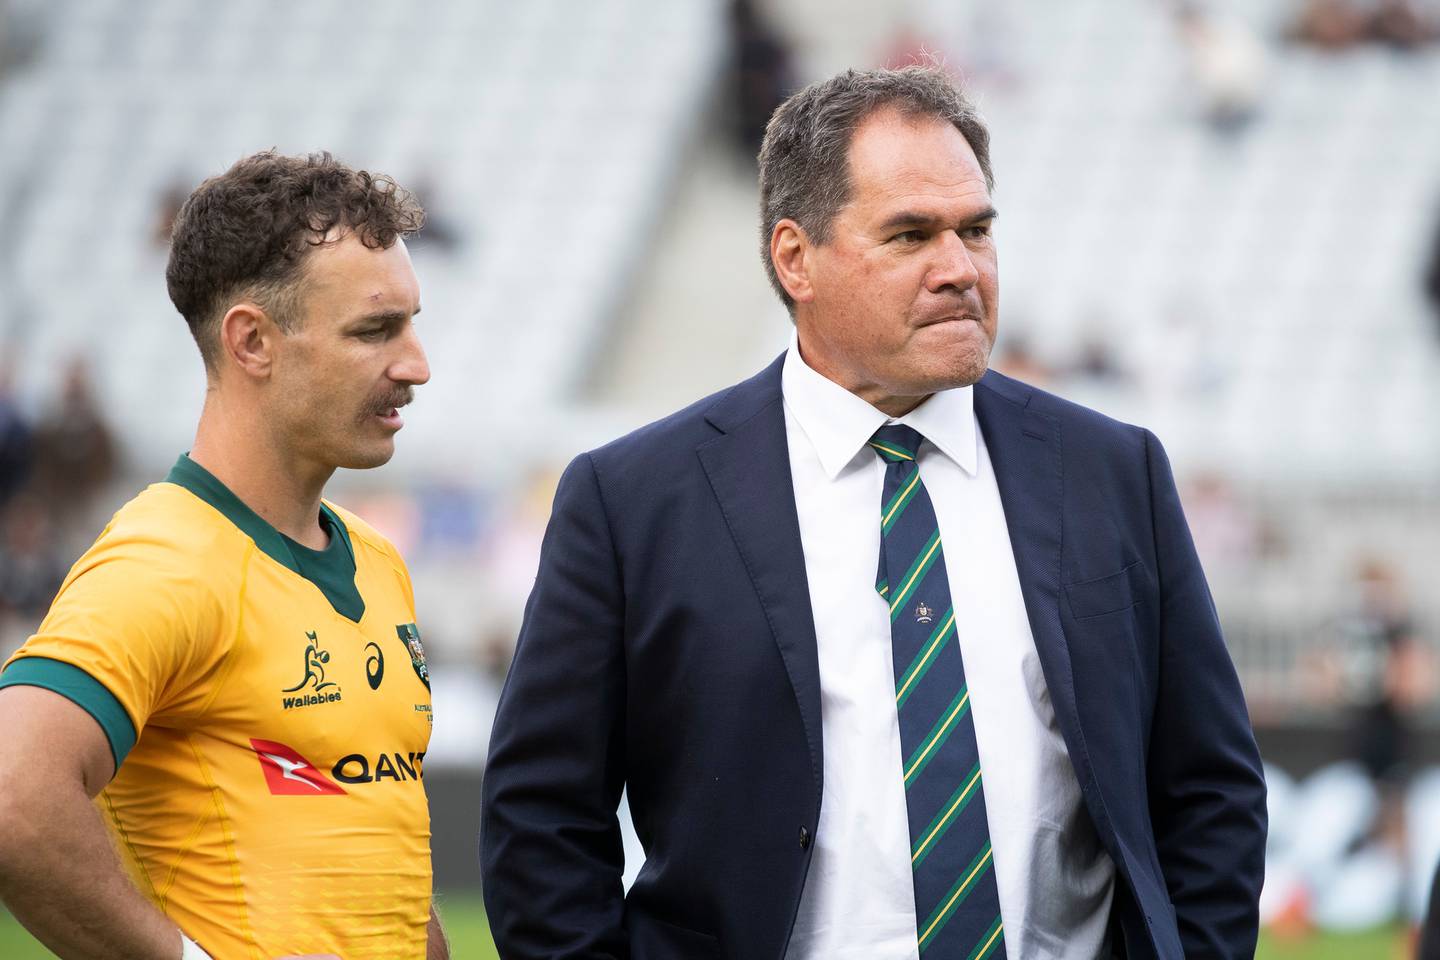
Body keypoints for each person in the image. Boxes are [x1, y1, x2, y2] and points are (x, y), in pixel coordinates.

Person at [480, 66, 1267, 960]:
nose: (960, 269)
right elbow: (541, 820)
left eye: (976, 229)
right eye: (910, 235)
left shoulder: (1111, 471)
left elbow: (1210, 792)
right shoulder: (634, 502)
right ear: (794, 258)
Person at [0, 151, 446, 960]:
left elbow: (385, 873)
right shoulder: (163, 561)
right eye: (375, 330)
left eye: (412, 324)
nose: (416, 364)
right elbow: (10, 792)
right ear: (251, 342)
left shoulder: (378, 561)